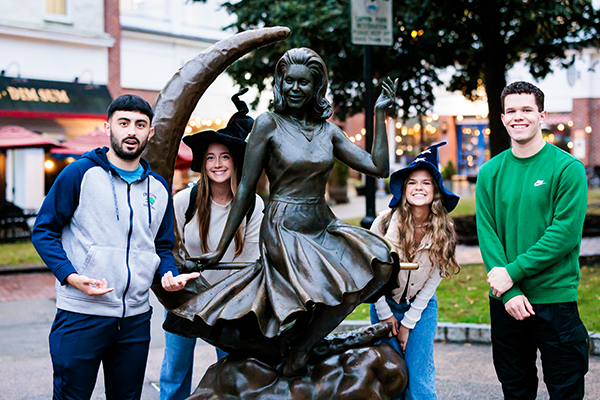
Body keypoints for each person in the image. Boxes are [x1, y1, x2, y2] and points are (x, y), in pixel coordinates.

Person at [161, 47, 399, 377]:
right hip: (284, 227)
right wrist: (219, 249)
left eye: (304, 83)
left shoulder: (327, 131)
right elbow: (244, 190)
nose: (295, 89)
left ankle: (302, 350)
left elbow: (378, 167)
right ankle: (294, 352)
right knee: (312, 288)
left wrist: (380, 115)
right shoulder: (267, 124)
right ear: (280, 84)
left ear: (317, 89)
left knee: (380, 263)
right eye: (289, 81)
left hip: (322, 222)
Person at [31, 94, 199, 400]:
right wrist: (69, 275)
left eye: (139, 124)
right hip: (81, 314)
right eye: (124, 123)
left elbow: (161, 246)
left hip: (134, 319)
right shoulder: (80, 174)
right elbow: (44, 231)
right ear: (108, 127)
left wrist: (168, 272)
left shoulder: (159, 188)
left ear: (151, 132)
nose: (131, 131)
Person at [476, 81, 589, 399]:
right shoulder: (489, 173)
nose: (518, 117)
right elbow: (488, 234)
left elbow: (564, 235)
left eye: (527, 110)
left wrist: (511, 273)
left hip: (555, 300)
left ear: (542, 115)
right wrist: (509, 290)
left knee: (565, 390)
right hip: (506, 302)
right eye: (511, 111)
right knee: (515, 390)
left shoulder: (567, 169)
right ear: (502, 118)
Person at [159, 91, 264, 400]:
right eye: (210, 158)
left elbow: (254, 258)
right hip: (186, 298)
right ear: (202, 164)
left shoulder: (252, 206)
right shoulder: (184, 201)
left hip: (229, 302)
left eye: (225, 157)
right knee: (174, 369)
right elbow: (169, 246)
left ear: (235, 162)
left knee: (230, 372)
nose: (218, 164)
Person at [370, 142, 460, 400]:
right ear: (403, 189)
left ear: (436, 191)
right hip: (383, 303)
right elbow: (371, 273)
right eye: (412, 182)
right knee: (390, 378)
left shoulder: (444, 230)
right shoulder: (384, 221)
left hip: (421, 306)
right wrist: (386, 314)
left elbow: (433, 280)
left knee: (419, 380)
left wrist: (409, 323)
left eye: (426, 183)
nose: (418, 188)